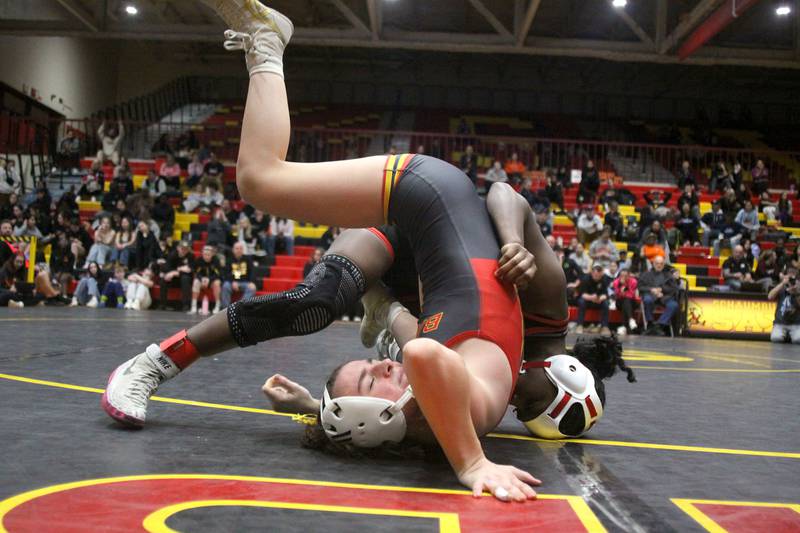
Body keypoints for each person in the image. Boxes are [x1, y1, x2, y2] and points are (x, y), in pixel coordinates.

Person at [101, 6, 628, 502]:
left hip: (420, 267)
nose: (518, 403)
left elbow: (417, 379)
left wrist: (324, 408)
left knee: (316, 303)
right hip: (429, 207)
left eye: (522, 415)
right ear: (562, 374)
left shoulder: (487, 381)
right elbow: (502, 195)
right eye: (532, 402)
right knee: (261, 182)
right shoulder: (541, 319)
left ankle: (378, 308)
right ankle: (156, 362)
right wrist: (513, 242)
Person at [638, 255, 679, 336]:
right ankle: (650, 323)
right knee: (647, 300)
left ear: (664, 264)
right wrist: (651, 290)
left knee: (674, 305)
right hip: (650, 295)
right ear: (653, 264)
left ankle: (659, 325)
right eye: (657, 263)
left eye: (661, 263)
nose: (659, 265)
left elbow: (673, 288)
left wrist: (662, 290)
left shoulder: (668, 275)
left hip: (664, 297)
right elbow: (640, 287)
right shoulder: (646, 274)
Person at [575, 264, 611, 336]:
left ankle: (604, 326)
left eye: (599, 276)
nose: (597, 277)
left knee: (606, 303)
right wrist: (592, 298)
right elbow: (582, 294)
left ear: (601, 274)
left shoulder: (604, 279)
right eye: (595, 275)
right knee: (581, 302)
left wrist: (601, 298)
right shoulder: (585, 279)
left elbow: (606, 294)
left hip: (598, 301)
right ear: (592, 273)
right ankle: (579, 325)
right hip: (588, 300)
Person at [159, 240, 194, 311]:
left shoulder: (190, 256)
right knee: (164, 279)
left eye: (186, 249)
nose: (184, 250)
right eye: (182, 248)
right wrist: (178, 270)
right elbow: (166, 268)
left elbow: (190, 270)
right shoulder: (172, 255)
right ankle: (163, 304)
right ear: (178, 248)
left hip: (184, 280)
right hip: (174, 280)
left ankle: (186, 305)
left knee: (185, 278)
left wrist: (175, 272)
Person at [768, 269, 800, 344]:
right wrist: (782, 283)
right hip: (780, 322)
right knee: (775, 338)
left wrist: (796, 293)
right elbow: (770, 296)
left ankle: (789, 336)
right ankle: (787, 335)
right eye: (789, 277)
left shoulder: (798, 289)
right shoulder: (781, 287)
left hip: (796, 323)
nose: (791, 281)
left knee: (798, 339)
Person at [221, 241, 257, 309]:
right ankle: (226, 310)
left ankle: (239, 308)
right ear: (233, 250)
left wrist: (252, 282)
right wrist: (232, 281)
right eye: (237, 248)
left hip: (245, 282)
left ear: (243, 250)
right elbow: (226, 273)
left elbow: (252, 271)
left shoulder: (248, 259)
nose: (239, 250)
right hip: (231, 282)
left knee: (252, 288)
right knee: (225, 286)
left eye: (240, 248)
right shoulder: (229, 259)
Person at [190, 244, 223, 315]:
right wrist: (201, 279)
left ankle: (217, 306)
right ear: (202, 254)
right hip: (201, 280)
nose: (206, 256)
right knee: (196, 282)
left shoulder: (216, 260)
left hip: (212, 280)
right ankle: (193, 306)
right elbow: (195, 273)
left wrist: (209, 279)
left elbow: (218, 274)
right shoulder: (198, 260)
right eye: (205, 254)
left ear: (212, 254)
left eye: (208, 254)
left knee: (217, 283)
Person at [612, 268, 638, 335]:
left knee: (626, 301)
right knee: (625, 302)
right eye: (621, 276)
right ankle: (630, 319)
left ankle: (623, 326)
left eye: (625, 276)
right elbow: (616, 295)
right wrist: (621, 290)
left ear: (629, 276)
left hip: (632, 302)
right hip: (619, 302)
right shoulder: (616, 282)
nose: (623, 278)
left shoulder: (633, 281)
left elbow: (632, 295)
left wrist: (626, 285)